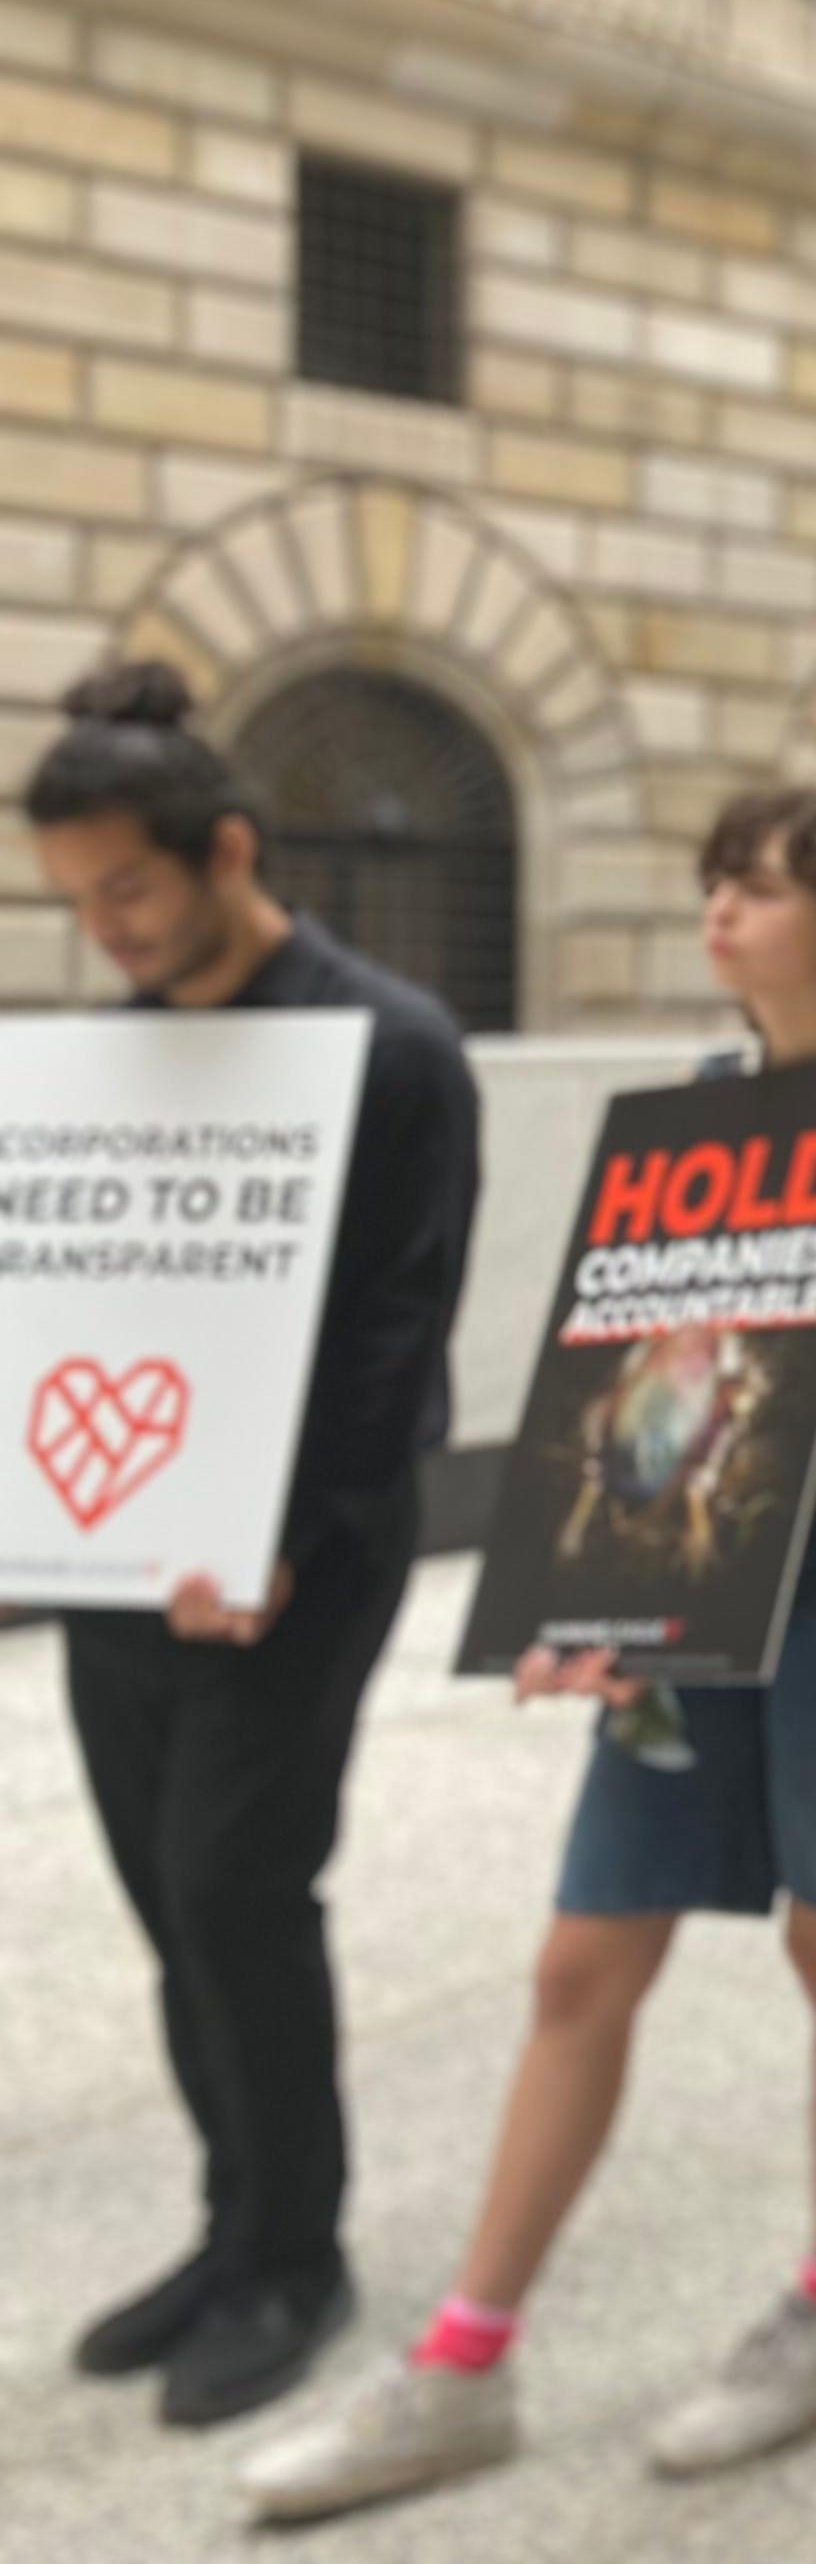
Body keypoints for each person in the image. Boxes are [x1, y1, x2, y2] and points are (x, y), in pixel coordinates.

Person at [238, 789, 816, 2521]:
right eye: (713, 882)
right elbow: (646, 1356)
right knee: (585, 1952)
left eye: (761, 886)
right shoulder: (709, 1106)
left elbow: (804, 1364)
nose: (720, 909)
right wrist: (593, 1583)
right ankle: (462, 2357)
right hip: (697, 1548)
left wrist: (615, 1579)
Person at [21, 664, 482, 2432]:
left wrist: (275, 1529)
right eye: (75, 903)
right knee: (160, 1889)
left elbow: (392, 1326)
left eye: (128, 888)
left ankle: (298, 2248)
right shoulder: (111, 1049)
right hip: (121, 1537)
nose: (107, 928)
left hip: (303, 1548)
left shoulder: (391, 1040)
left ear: (227, 846)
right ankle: (230, 2220)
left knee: (235, 1882)